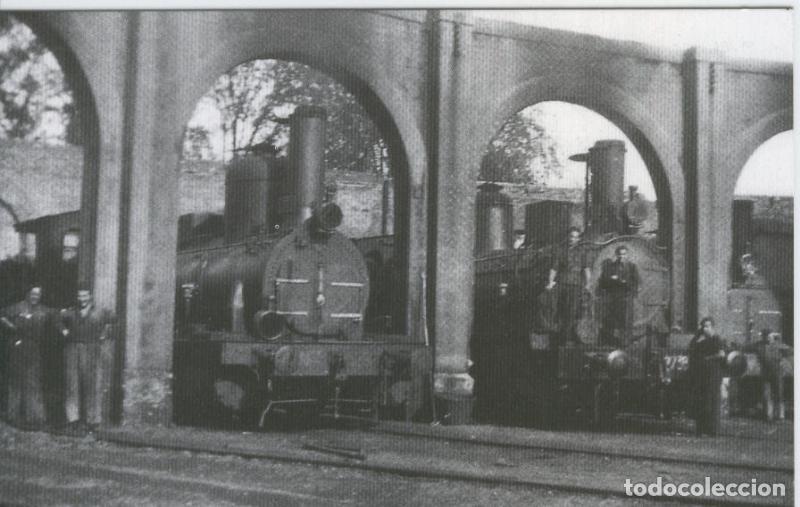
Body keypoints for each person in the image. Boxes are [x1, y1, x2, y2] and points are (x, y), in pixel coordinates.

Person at [0, 286, 57, 429]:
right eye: (33, 293)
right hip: (18, 346)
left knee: (33, 382)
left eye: (38, 294)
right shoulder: (18, 307)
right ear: (27, 293)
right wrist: (11, 326)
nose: (35, 296)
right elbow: (2, 315)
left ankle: (35, 418)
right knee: (15, 381)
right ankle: (13, 416)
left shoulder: (44, 310)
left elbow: (57, 316)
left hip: (34, 349)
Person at [60, 286, 114, 432]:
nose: (82, 299)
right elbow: (56, 319)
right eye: (80, 296)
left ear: (90, 296)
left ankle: (93, 420)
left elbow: (113, 321)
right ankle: (73, 419)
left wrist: (106, 333)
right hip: (72, 349)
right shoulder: (70, 311)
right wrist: (64, 331)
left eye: (85, 296)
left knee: (93, 384)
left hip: (92, 349)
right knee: (72, 384)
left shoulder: (101, 311)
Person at [546, 227, 591, 344]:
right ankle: (560, 335)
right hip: (562, 284)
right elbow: (554, 268)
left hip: (576, 284)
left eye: (576, 237)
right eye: (571, 236)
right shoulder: (561, 251)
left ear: (579, 239)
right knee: (561, 309)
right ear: (567, 237)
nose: (573, 239)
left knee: (573, 310)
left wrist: (588, 283)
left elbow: (586, 269)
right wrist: (550, 281)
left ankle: (568, 336)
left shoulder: (582, 251)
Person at [687, 317, 726, 436]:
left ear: (712, 327)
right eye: (703, 327)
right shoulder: (701, 341)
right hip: (703, 374)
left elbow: (721, 354)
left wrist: (707, 358)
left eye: (707, 326)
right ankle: (702, 429)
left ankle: (712, 430)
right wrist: (697, 334)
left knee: (712, 402)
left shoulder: (717, 339)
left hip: (713, 374)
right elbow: (691, 347)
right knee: (702, 401)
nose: (704, 329)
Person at [598, 245, 640, 346]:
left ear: (627, 255)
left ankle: (625, 342)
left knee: (626, 320)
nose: (622, 257)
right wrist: (611, 279)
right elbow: (603, 282)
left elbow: (636, 283)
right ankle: (609, 342)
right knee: (610, 319)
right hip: (612, 296)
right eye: (620, 254)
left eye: (624, 254)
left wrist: (623, 281)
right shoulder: (610, 267)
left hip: (626, 297)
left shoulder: (632, 267)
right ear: (616, 255)